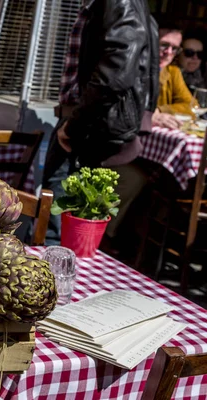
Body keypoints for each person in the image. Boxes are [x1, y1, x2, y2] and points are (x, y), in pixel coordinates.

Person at [42, 0, 159, 246]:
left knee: (57, 230)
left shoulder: (120, 2)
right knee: (70, 229)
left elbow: (116, 74)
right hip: (87, 121)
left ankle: (54, 282)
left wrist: (74, 125)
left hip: (86, 125)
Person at [156, 27, 194, 117]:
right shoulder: (130, 69)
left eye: (174, 48)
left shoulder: (173, 72)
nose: (168, 52)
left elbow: (191, 106)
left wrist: (160, 110)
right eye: (164, 45)